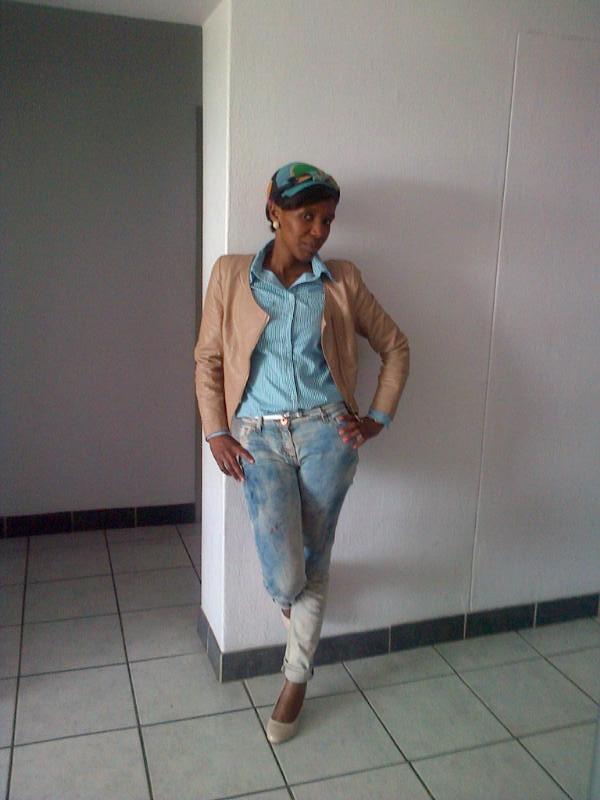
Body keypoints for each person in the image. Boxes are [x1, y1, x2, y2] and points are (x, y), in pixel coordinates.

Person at [194, 161, 409, 744]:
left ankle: (296, 678)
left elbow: (395, 346)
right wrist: (216, 431)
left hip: (327, 434)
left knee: (317, 552)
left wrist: (376, 419)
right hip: (257, 436)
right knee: (289, 572)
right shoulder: (231, 274)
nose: (318, 230)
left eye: (327, 220)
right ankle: (299, 606)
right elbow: (208, 358)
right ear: (274, 213)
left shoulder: (342, 280)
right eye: (306, 216)